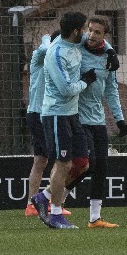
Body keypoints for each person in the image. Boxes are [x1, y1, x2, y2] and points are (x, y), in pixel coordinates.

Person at [31, 12, 96, 229]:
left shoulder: (75, 43)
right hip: (56, 114)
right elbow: (66, 89)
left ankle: (44, 196)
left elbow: (95, 41)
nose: (88, 33)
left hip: (71, 114)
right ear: (76, 31)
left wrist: (110, 52)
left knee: (82, 164)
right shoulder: (56, 53)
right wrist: (85, 82)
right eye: (85, 29)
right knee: (63, 163)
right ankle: (56, 214)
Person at [78, 17, 126, 228]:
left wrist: (119, 118)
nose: (92, 35)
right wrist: (110, 50)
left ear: (104, 35)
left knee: (102, 167)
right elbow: (57, 40)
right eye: (90, 30)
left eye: (98, 32)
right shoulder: (77, 46)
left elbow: (111, 90)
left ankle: (94, 218)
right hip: (76, 115)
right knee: (88, 164)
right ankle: (53, 197)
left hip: (97, 119)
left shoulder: (107, 57)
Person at [24, 31, 71, 217]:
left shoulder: (59, 61)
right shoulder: (41, 55)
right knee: (49, 160)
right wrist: (49, 38)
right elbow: (45, 45)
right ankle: (36, 203)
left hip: (50, 114)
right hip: (37, 113)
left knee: (44, 160)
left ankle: (38, 203)